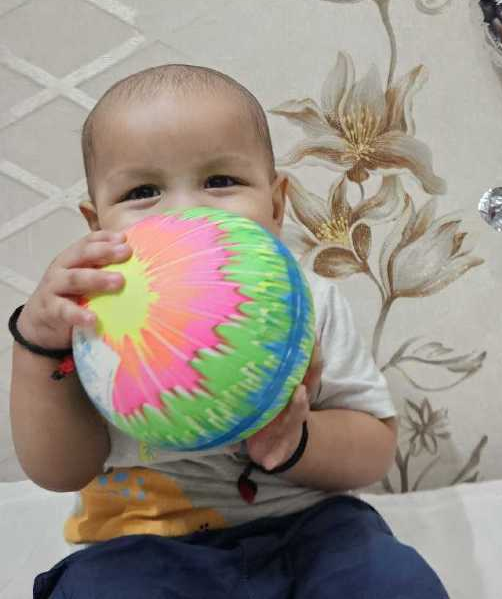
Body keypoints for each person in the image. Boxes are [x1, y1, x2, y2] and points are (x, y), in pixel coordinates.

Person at [9, 64, 449, 598]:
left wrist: (297, 442)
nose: (187, 211)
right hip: (145, 547)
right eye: (143, 191)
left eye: (220, 182)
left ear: (276, 204)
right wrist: (37, 345)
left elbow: (373, 450)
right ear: (97, 225)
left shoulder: (308, 303)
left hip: (308, 533)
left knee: (391, 580)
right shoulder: (88, 321)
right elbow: (59, 471)